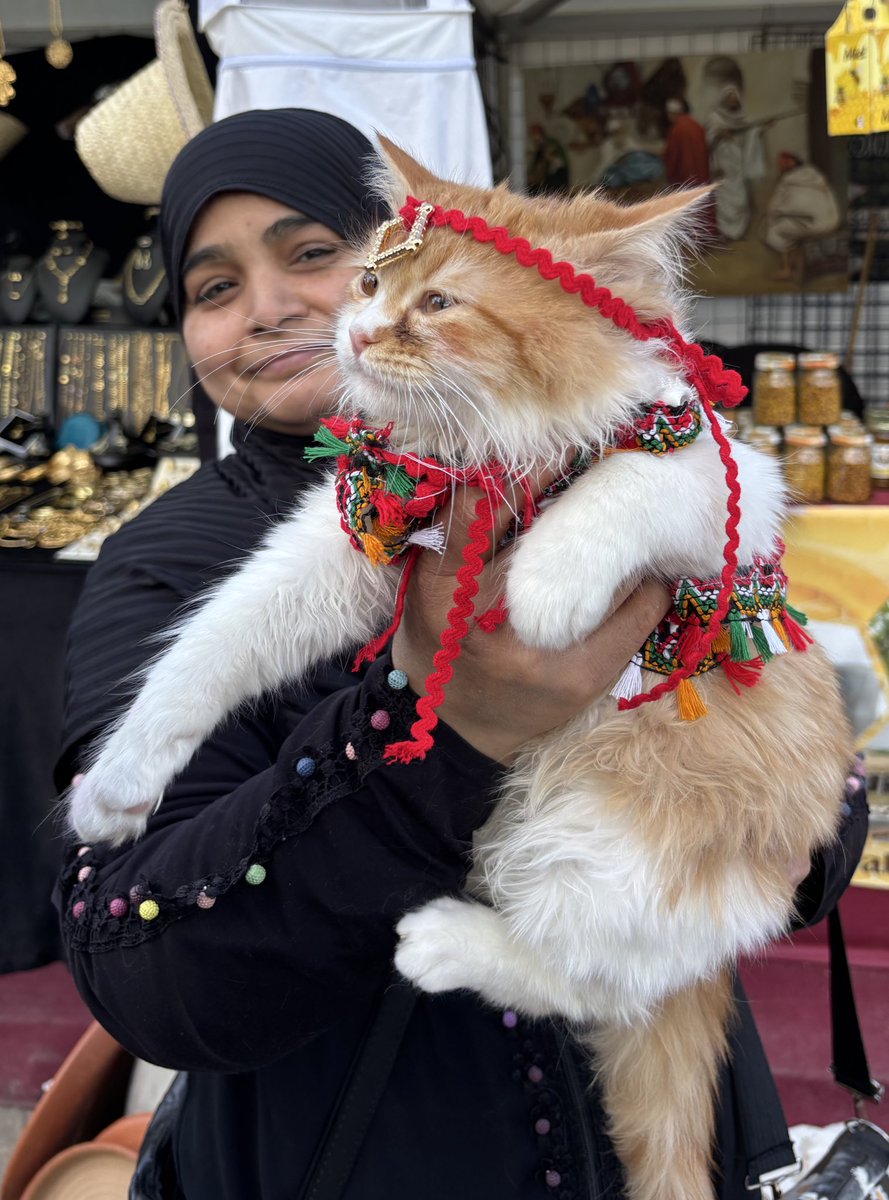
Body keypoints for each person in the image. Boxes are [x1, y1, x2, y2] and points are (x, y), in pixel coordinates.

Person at [54, 108, 868, 1200]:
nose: (273, 308)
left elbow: (812, 832)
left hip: (661, 990)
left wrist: (772, 811)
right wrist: (455, 727)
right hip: (367, 1153)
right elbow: (145, 980)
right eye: (211, 289)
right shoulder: (164, 556)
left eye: (313, 254)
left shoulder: (628, 442)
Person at [763, 150, 841, 282]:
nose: (780, 165)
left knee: (776, 229)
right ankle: (797, 263)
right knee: (790, 223)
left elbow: (774, 208)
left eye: (784, 162)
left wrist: (776, 213)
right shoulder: (815, 175)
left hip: (813, 224)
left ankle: (787, 269)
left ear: (792, 163)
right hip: (831, 221)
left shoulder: (787, 180)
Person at [705, 84, 768, 241]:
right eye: (730, 99)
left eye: (735, 99)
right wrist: (720, 134)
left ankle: (738, 232)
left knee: (740, 199)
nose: (733, 102)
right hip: (722, 165)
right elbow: (707, 140)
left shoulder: (741, 118)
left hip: (737, 163)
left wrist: (759, 130)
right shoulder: (715, 117)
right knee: (724, 200)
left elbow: (749, 133)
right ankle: (726, 233)